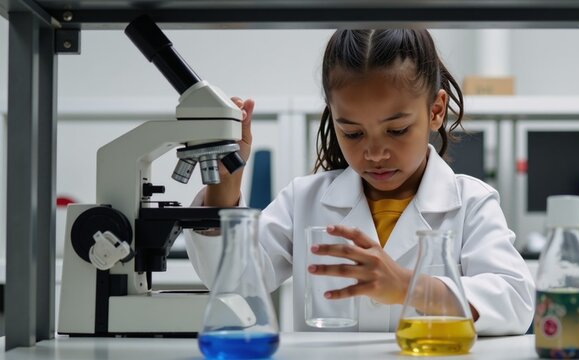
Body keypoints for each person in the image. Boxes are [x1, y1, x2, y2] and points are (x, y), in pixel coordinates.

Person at [185, 29, 534, 335]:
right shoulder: (304, 201)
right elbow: (230, 284)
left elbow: (515, 302)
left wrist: (407, 287)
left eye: (396, 130)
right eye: (352, 132)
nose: (375, 152)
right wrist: (223, 185)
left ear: (436, 111)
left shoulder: (471, 202)